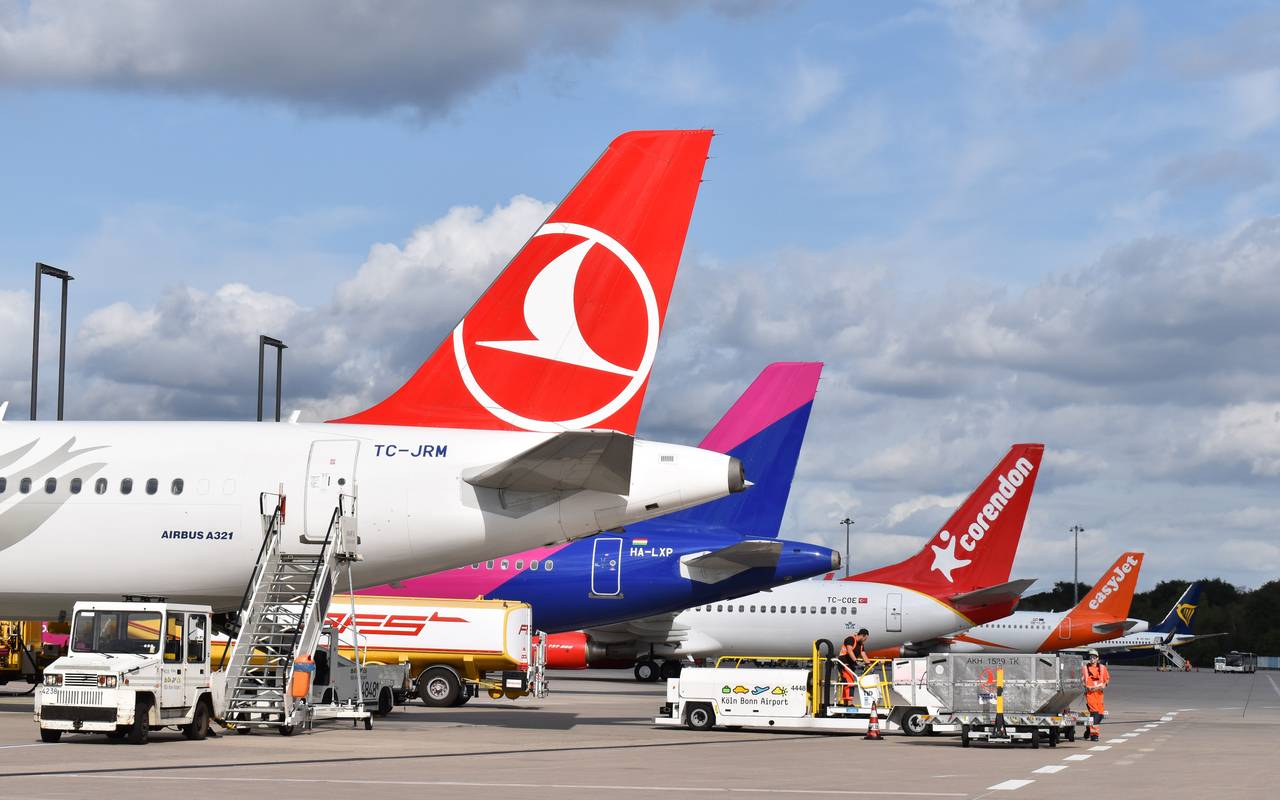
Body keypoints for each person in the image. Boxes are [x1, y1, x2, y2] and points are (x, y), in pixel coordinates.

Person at [1083, 649, 1109, 741]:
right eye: (1090, 657)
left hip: (1099, 693)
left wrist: (1103, 686)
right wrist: (1086, 687)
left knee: (1100, 714)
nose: (1092, 659)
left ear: (1097, 658)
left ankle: (1089, 728)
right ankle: (1094, 735)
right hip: (1090, 693)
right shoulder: (1085, 668)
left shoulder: (1102, 668)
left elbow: (1107, 680)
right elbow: (1082, 681)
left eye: (1094, 657)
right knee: (1095, 714)